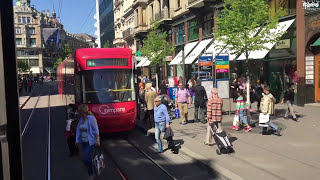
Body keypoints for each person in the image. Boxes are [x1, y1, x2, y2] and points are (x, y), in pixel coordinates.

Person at [76, 104, 100, 180]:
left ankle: (91, 173)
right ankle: (92, 167)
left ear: (82, 112)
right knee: (86, 158)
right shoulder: (81, 119)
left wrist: (97, 140)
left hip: (90, 142)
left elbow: (96, 130)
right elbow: (78, 130)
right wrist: (77, 140)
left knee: (85, 158)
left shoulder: (91, 118)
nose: (78, 113)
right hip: (83, 142)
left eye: (79, 112)